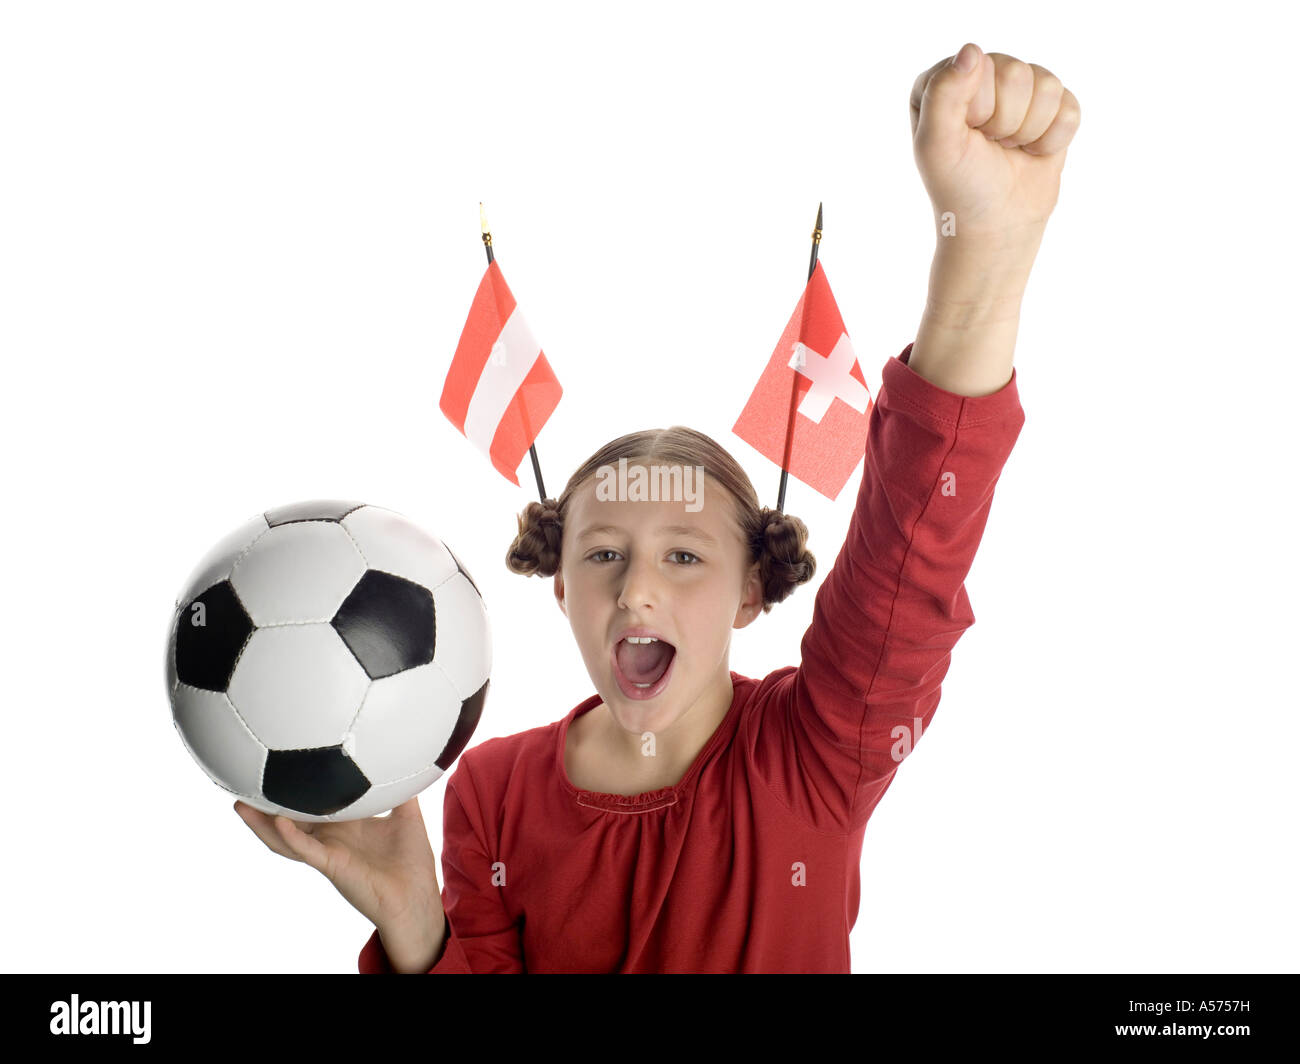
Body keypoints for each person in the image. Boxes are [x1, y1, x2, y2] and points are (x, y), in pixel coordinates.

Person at [235, 41, 1079, 972]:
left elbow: (906, 562)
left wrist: (985, 256)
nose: (637, 590)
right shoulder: (492, 789)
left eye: (684, 556)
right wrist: (413, 920)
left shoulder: (816, 749)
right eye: (603, 556)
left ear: (752, 593)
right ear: (559, 587)